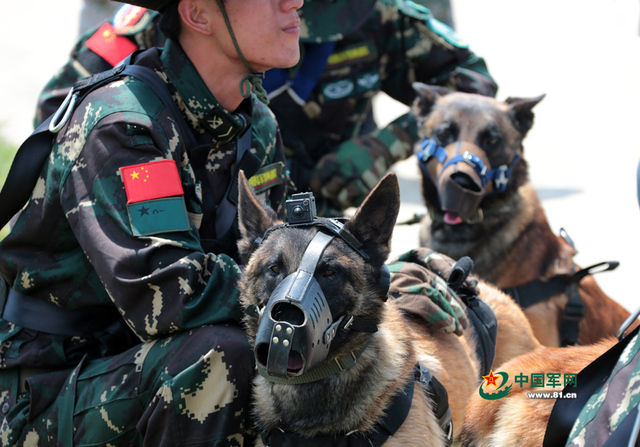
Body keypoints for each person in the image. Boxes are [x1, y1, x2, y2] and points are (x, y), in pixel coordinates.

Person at [0, 0, 300, 444]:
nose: (293, 3)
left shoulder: (255, 124)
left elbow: (287, 242)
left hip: (139, 366)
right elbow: (170, 294)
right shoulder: (124, 123)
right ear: (198, 15)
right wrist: (305, 286)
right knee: (222, 358)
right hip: (48, 392)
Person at [35, 0, 498, 216]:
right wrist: (159, 181)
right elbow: (62, 114)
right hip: (194, 228)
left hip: (320, 213)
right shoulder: (159, 27)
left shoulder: (378, 17)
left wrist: (386, 143)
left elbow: (472, 87)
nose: (294, 11)